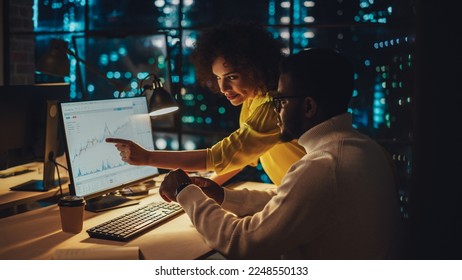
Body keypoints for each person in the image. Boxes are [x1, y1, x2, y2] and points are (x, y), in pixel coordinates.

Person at [158, 48, 405, 259]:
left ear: (308, 106)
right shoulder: (367, 149)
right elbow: (291, 201)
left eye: (281, 101)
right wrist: (222, 196)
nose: (276, 111)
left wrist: (185, 192)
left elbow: (241, 243)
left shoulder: (323, 165)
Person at [106, 20, 306, 186]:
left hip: (312, 200)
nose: (223, 87)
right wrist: (206, 184)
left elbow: (219, 156)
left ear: (256, 69)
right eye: (218, 78)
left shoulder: (273, 106)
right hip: (296, 194)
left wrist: (148, 158)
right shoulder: (252, 100)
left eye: (232, 77)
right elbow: (241, 158)